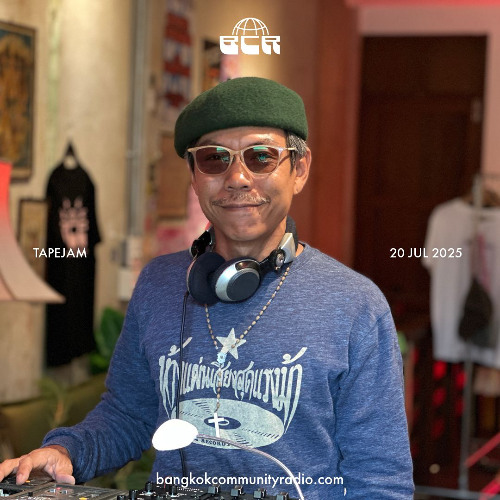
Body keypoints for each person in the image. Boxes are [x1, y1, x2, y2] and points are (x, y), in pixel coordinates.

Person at [0, 77, 414, 499]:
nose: (237, 178)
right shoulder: (160, 284)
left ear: (300, 169)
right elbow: (128, 415)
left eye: (261, 157)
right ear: (194, 177)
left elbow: (380, 480)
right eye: (214, 159)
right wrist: (66, 450)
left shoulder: (355, 306)